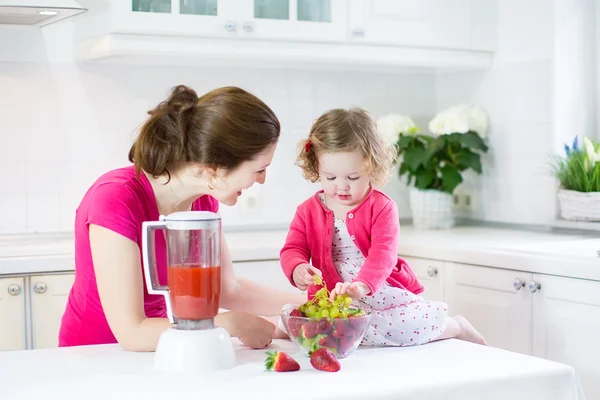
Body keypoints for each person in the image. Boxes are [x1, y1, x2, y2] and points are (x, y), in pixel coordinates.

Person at [59, 85, 304, 351]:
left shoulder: (203, 201)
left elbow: (227, 288)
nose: (262, 180)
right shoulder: (116, 198)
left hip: (170, 345)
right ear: (215, 168)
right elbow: (132, 333)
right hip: (97, 354)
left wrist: (307, 306)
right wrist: (230, 324)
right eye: (259, 169)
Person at [279, 107, 486, 347]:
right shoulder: (307, 211)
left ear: (372, 166)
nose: (342, 187)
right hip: (332, 298)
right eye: (331, 178)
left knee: (397, 324)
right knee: (306, 320)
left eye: (352, 177)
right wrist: (298, 268)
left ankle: (455, 325)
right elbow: (292, 249)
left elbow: (383, 256)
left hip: (378, 293)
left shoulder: (382, 207)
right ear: (316, 168)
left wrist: (361, 286)